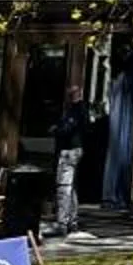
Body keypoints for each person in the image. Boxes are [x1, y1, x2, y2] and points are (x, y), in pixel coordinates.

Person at [52, 90, 94, 237]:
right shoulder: (84, 111)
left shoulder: (74, 112)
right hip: (78, 150)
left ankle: (62, 222)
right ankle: (72, 220)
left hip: (69, 151)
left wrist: (56, 129)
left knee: (64, 188)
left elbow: (67, 129)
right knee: (72, 188)